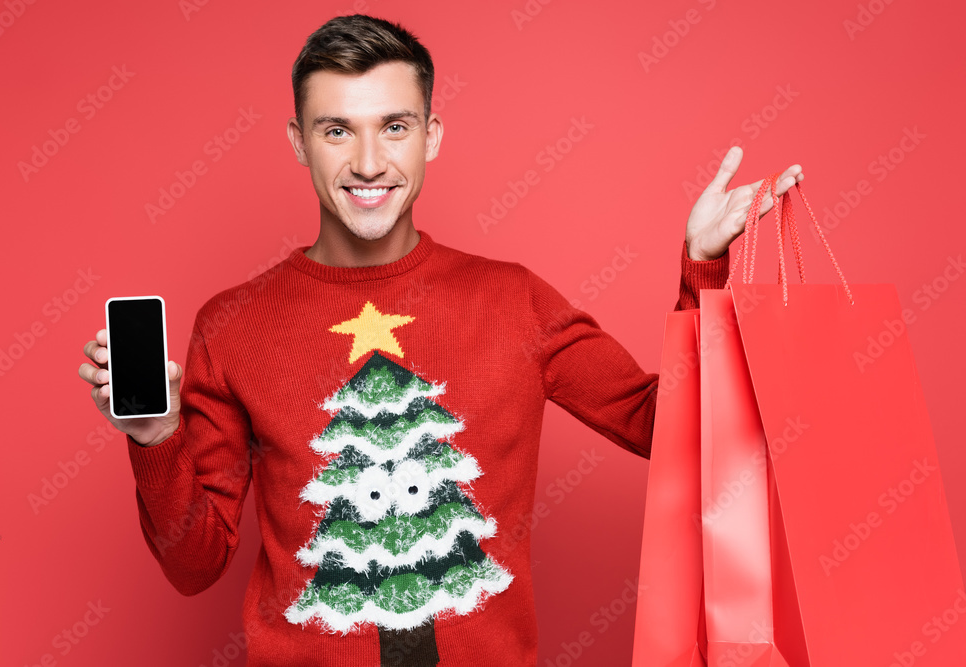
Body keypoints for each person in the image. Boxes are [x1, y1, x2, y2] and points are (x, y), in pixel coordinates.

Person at [78, 14, 803, 667]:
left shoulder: (514, 299)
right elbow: (193, 563)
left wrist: (702, 271)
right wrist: (155, 435)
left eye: (394, 126)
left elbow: (667, 426)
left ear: (432, 135)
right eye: (337, 130)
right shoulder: (234, 323)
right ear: (299, 142)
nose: (367, 161)